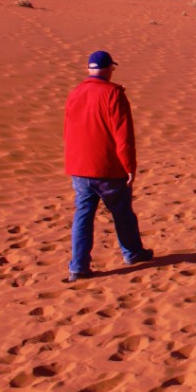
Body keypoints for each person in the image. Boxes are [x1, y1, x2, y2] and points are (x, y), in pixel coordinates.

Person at [63, 50, 152, 281]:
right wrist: (129, 166)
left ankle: (78, 267)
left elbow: (68, 130)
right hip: (107, 168)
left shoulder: (75, 93)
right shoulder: (113, 94)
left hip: (79, 167)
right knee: (122, 212)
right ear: (108, 68)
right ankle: (132, 252)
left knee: (83, 215)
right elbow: (123, 135)